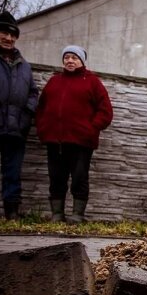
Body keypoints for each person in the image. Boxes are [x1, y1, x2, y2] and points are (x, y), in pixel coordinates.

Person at [35, 46, 113, 223]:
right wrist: (43, 129)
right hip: (54, 141)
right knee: (56, 178)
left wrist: (90, 129)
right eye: (67, 57)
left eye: (74, 58)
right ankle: (57, 214)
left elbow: (105, 111)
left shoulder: (92, 82)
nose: (70, 61)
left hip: (81, 142)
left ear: (82, 61)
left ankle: (77, 215)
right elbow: (40, 109)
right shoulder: (54, 81)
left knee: (79, 178)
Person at [0, 11, 38, 220]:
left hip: (15, 127)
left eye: (13, 35)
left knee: (12, 172)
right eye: (4, 33)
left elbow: (33, 93)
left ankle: (12, 213)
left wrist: (26, 116)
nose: (9, 38)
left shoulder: (24, 65)